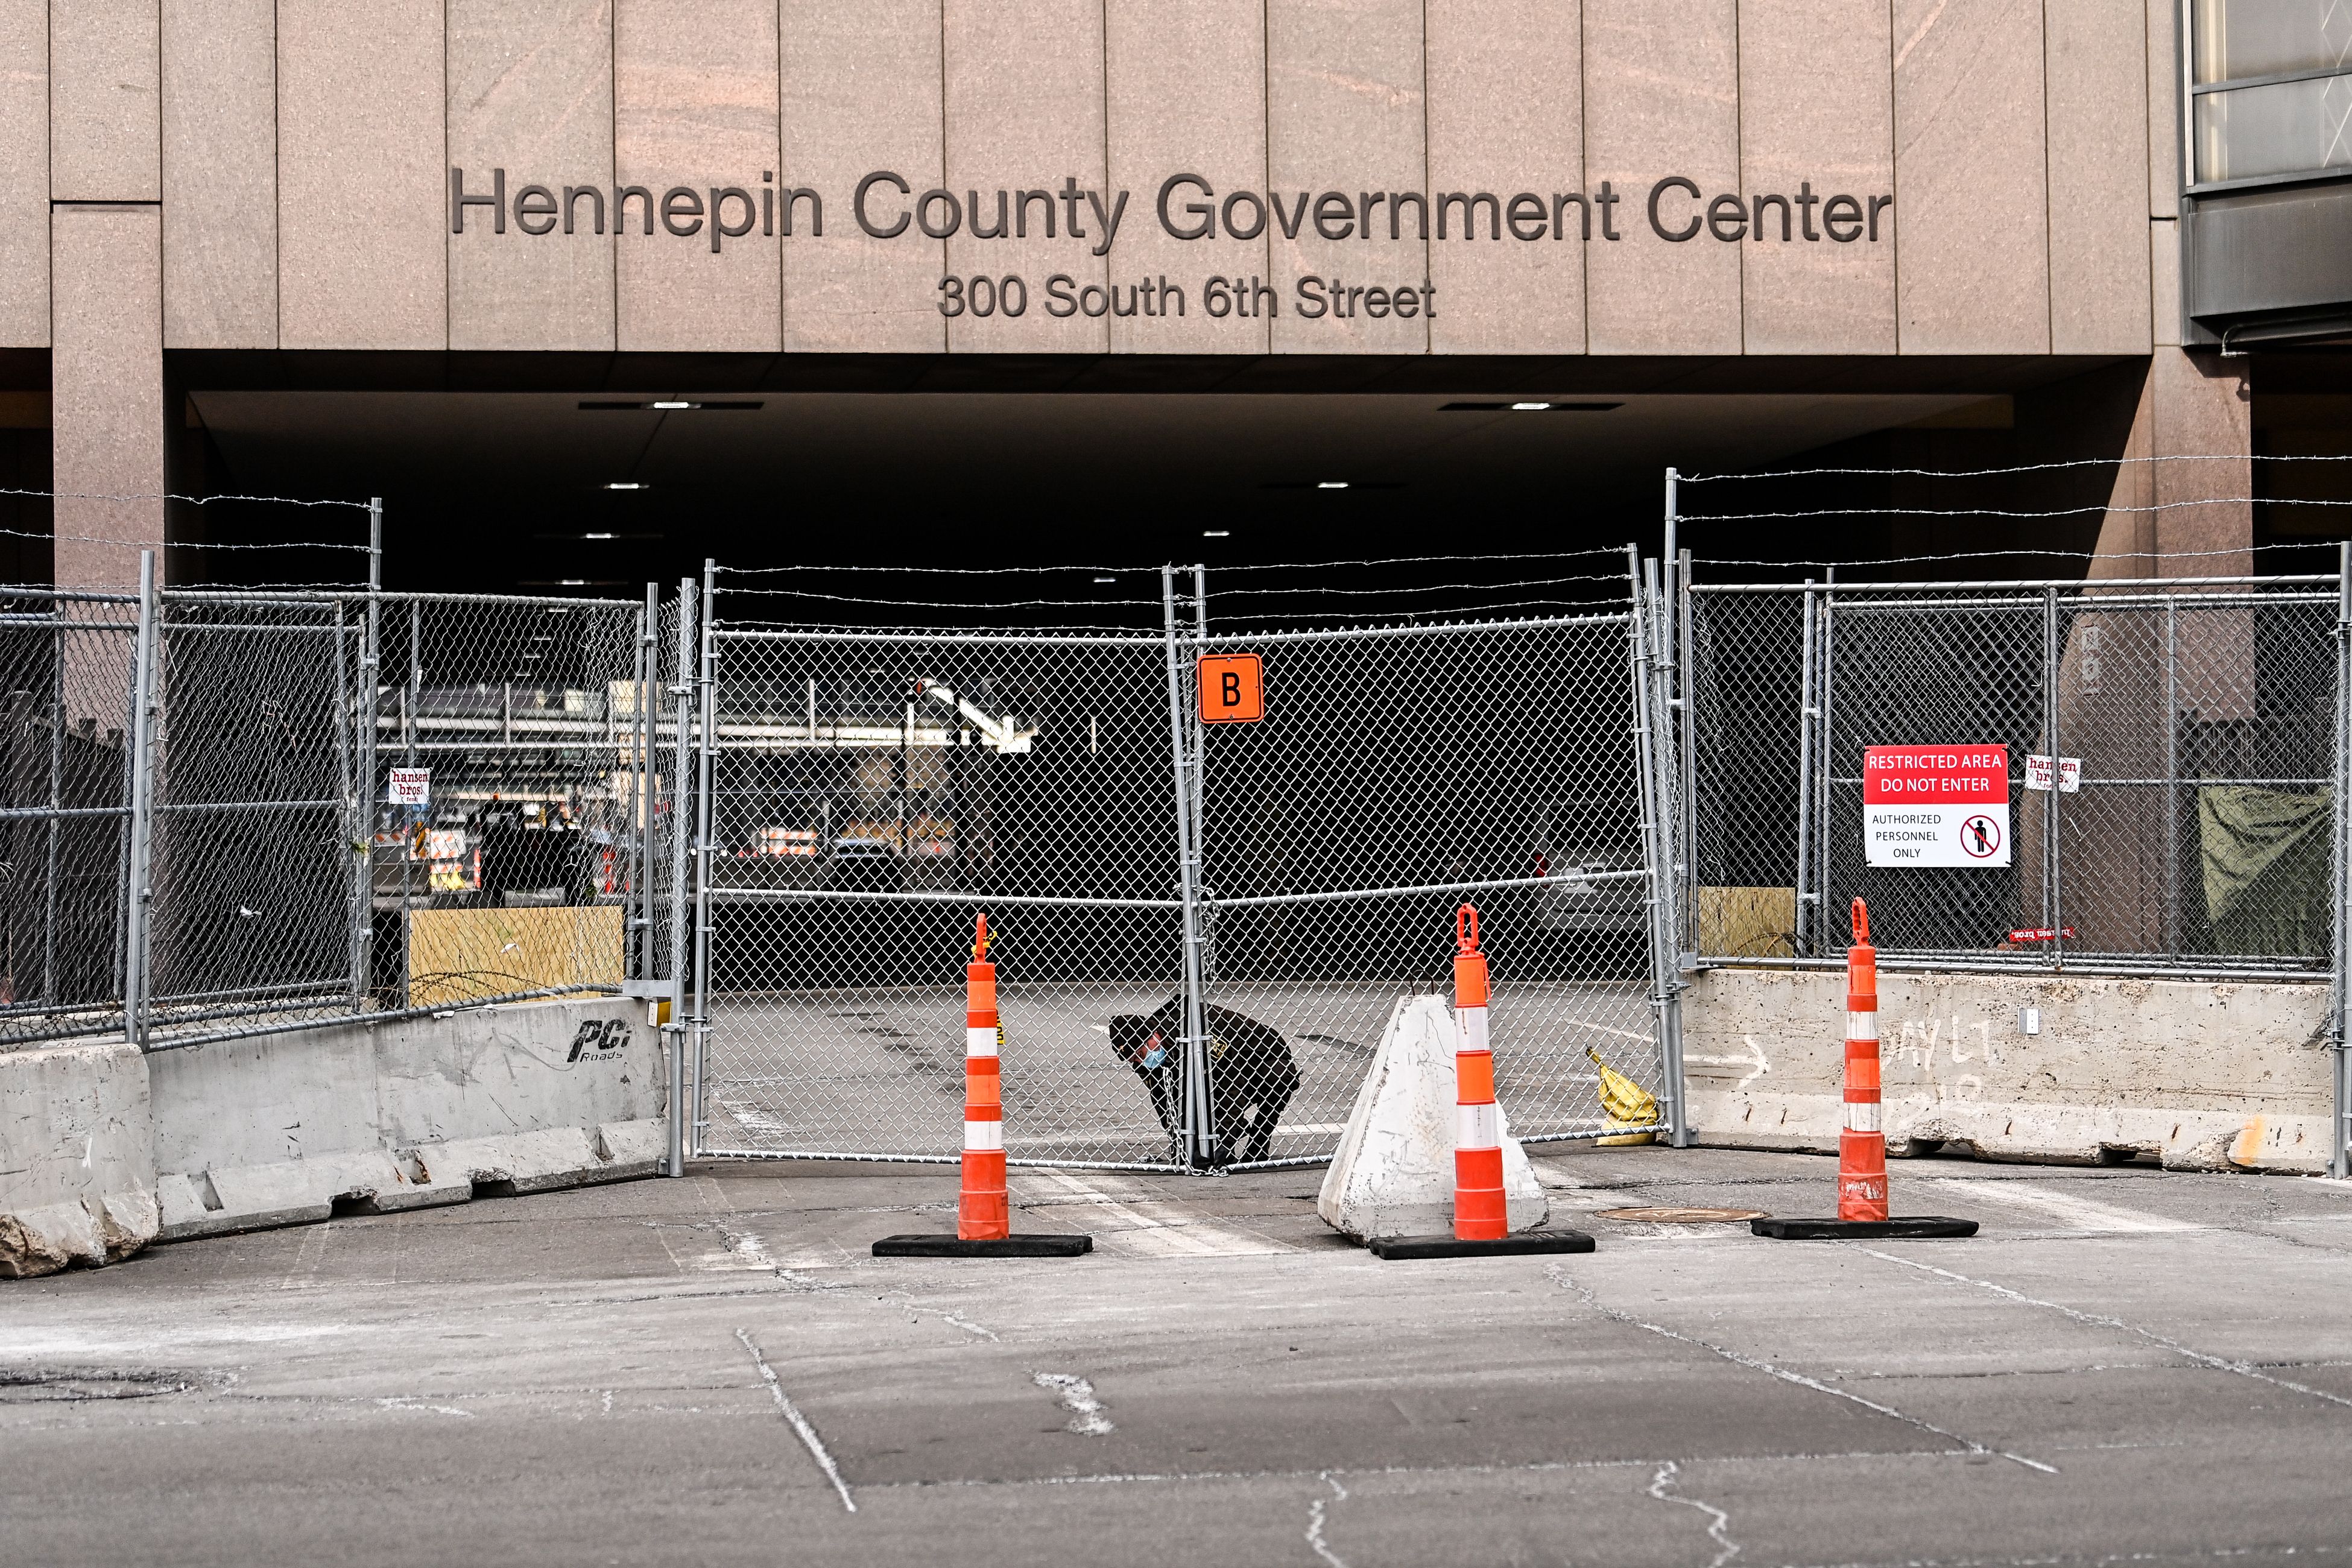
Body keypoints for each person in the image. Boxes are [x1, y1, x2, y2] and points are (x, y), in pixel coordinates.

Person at [1107, 996, 1300, 1167]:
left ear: (1153, 1034)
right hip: (1213, 1076)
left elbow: (1230, 1079)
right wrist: (1182, 1145)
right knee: (1196, 1153)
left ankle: (1259, 1142)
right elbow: (1163, 1100)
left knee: (1279, 1076)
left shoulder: (1194, 1024)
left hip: (1259, 1059)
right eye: (1134, 1060)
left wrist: (1226, 1136)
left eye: (1141, 1053)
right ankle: (1223, 1139)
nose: (1142, 1061)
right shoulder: (1143, 1059)